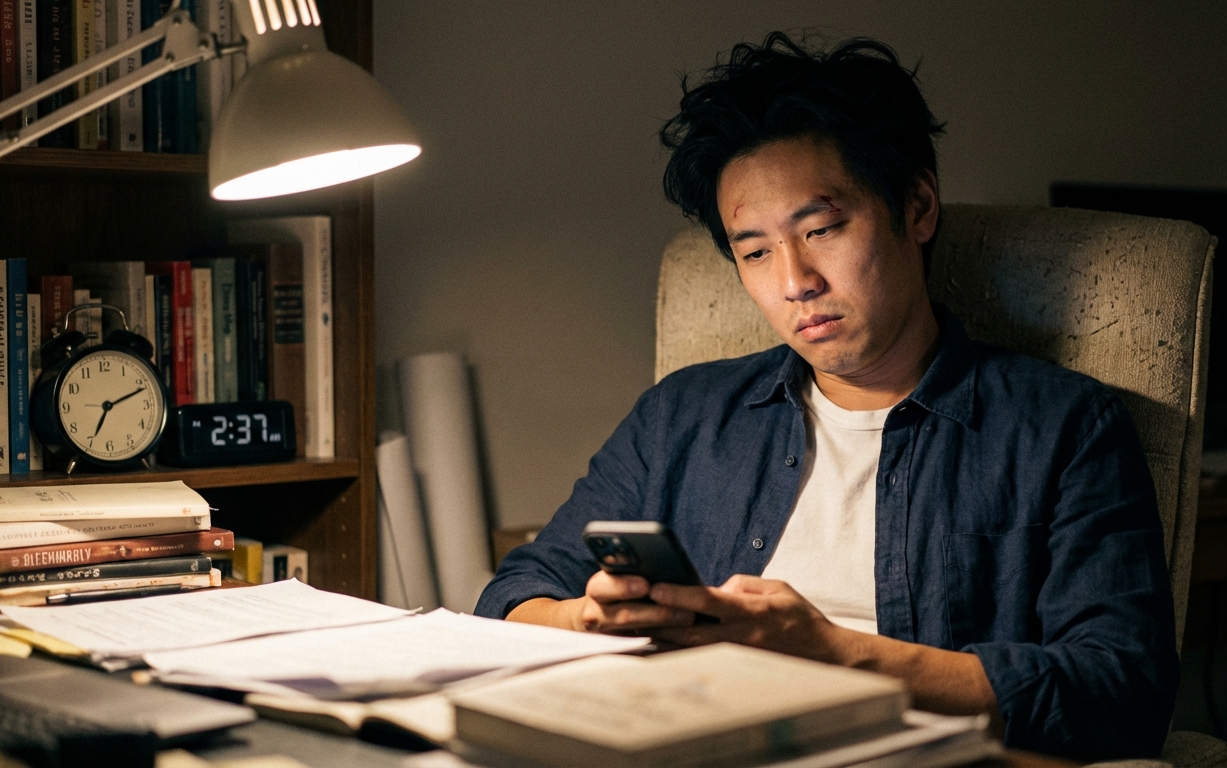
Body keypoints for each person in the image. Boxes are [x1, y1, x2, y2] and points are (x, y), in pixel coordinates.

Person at [474, 32, 1179, 761]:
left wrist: (835, 654)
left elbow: (1121, 690)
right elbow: (517, 592)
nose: (793, 280)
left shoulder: (1060, 426)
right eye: (754, 252)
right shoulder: (683, 416)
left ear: (918, 207)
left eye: (822, 228)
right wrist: (587, 619)